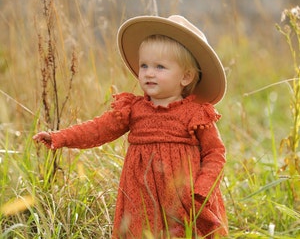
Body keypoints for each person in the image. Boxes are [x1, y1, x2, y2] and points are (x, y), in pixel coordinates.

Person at [33, 15, 228, 238]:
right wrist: (60, 137)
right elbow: (98, 129)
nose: (149, 72)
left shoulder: (196, 113)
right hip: (140, 196)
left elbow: (215, 153)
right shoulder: (133, 109)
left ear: (185, 76)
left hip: (183, 195)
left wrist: (203, 188)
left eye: (160, 67)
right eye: (144, 65)